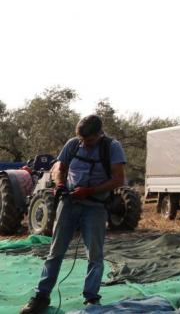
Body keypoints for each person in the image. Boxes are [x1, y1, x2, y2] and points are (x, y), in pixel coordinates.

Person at [20, 115, 126, 314]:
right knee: (55, 252)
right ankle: (41, 296)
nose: (85, 144)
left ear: (99, 134)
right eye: (82, 139)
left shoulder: (112, 147)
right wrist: (60, 184)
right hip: (68, 204)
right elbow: (58, 167)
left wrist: (90, 191)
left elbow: (119, 179)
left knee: (95, 255)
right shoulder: (73, 144)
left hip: (95, 207)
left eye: (89, 140)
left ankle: (91, 299)